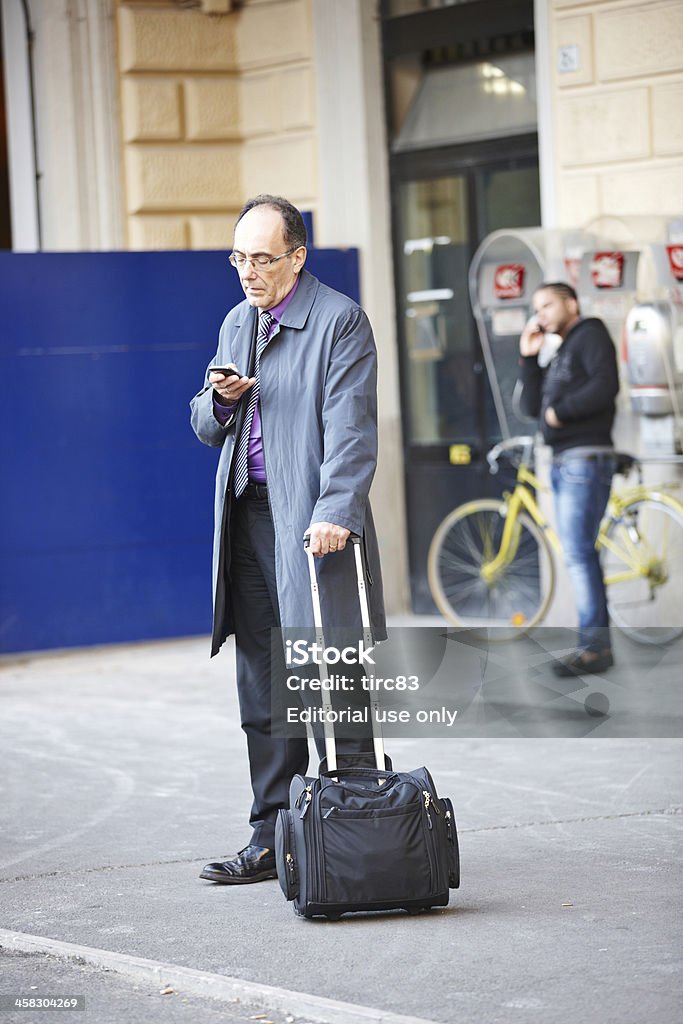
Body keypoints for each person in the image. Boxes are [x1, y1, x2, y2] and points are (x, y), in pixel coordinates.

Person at [190, 195, 385, 883]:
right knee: (264, 681)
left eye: (262, 258)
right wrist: (219, 398)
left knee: (331, 672)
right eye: (238, 258)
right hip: (246, 517)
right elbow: (204, 423)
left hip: (311, 524)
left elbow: (352, 429)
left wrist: (336, 509)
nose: (247, 271)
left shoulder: (339, 321)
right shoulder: (238, 321)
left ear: (296, 258)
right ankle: (272, 835)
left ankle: (359, 826)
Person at [518, 281, 619, 677]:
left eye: (547, 305)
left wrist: (561, 412)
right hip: (563, 459)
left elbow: (606, 386)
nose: (540, 314)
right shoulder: (559, 351)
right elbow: (530, 406)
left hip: (584, 455)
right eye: (536, 308)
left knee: (578, 553)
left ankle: (595, 649)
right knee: (579, 552)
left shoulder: (590, 334)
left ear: (571, 303)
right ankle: (597, 644)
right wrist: (528, 358)